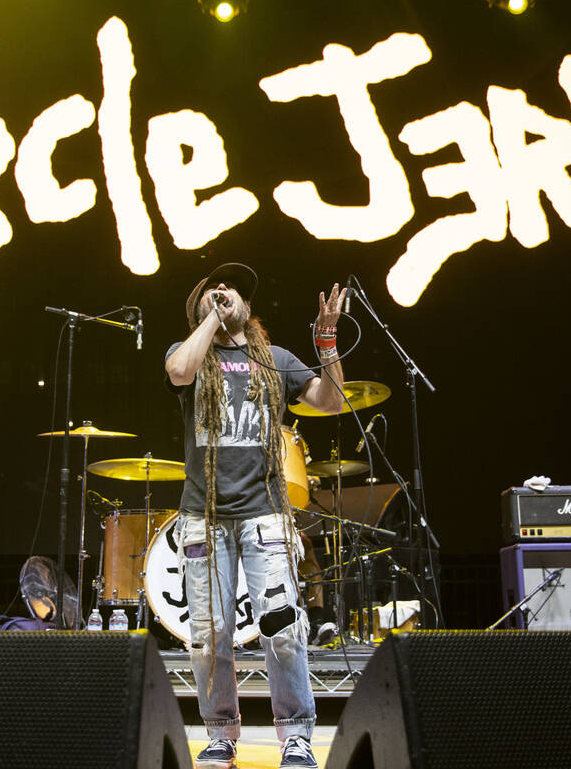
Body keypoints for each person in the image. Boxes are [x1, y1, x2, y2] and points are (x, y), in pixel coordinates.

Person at [165, 263, 346, 769]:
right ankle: (221, 731)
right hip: (204, 516)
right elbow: (179, 371)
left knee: (282, 629)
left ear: (249, 305)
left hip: (264, 514)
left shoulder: (277, 361)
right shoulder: (190, 359)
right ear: (199, 308)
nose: (224, 293)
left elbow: (331, 402)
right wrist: (209, 320)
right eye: (212, 291)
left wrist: (327, 342)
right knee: (209, 634)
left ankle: (295, 735)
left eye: (232, 290)